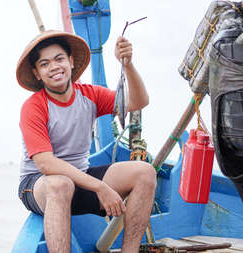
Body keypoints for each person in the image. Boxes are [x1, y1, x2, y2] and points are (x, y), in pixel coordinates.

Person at [16, 30, 157, 253]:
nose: (54, 67)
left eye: (59, 59)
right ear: (37, 73)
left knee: (145, 172)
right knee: (60, 183)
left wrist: (128, 65)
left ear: (71, 62)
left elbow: (138, 102)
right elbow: (46, 165)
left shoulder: (89, 95)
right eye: (45, 64)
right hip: (40, 185)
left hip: (80, 178)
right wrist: (100, 187)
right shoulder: (33, 107)